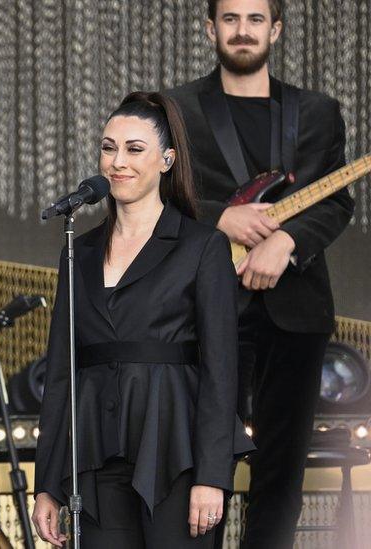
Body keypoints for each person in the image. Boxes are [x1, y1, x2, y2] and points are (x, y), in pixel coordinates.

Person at [165, 1, 354, 546]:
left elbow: (336, 202)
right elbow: (157, 197)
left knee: (282, 476)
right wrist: (221, 216)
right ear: (210, 28)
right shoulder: (177, 109)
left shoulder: (318, 111)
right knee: (203, 465)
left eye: (254, 20)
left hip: (295, 312)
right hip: (205, 308)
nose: (241, 30)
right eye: (230, 19)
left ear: (274, 29)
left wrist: (287, 243)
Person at [32, 92, 254, 548]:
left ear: (167, 160)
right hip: (93, 453)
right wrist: (48, 482)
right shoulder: (80, 250)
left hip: (175, 450)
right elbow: (60, 372)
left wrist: (212, 476)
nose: (117, 162)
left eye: (134, 149)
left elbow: (220, 370)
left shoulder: (201, 246)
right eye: (108, 147)